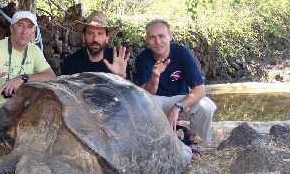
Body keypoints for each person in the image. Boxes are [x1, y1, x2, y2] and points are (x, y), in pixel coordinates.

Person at [0, 11, 56, 143]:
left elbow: (50, 76)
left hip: (21, 107)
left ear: (34, 32)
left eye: (29, 27)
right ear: (11, 28)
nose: (24, 31)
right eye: (20, 25)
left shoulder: (34, 50)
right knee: (16, 141)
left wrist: (22, 78)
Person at [135, 19, 217, 159]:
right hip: (156, 100)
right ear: (147, 40)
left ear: (170, 36)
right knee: (141, 107)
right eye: (152, 37)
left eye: (161, 36)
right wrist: (155, 76)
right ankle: (159, 142)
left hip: (179, 98)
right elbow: (146, 95)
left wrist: (178, 107)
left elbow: (200, 90)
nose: (158, 42)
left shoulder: (182, 53)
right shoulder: (142, 58)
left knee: (207, 105)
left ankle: (192, 139)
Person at [61, 11, 131, 79]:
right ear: (83, 37)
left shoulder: (118, 61)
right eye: (90, 33)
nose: (95, 39)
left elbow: (129, 90)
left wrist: (121, 77)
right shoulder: (71, 63)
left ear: (107, 38)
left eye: (100, 33)